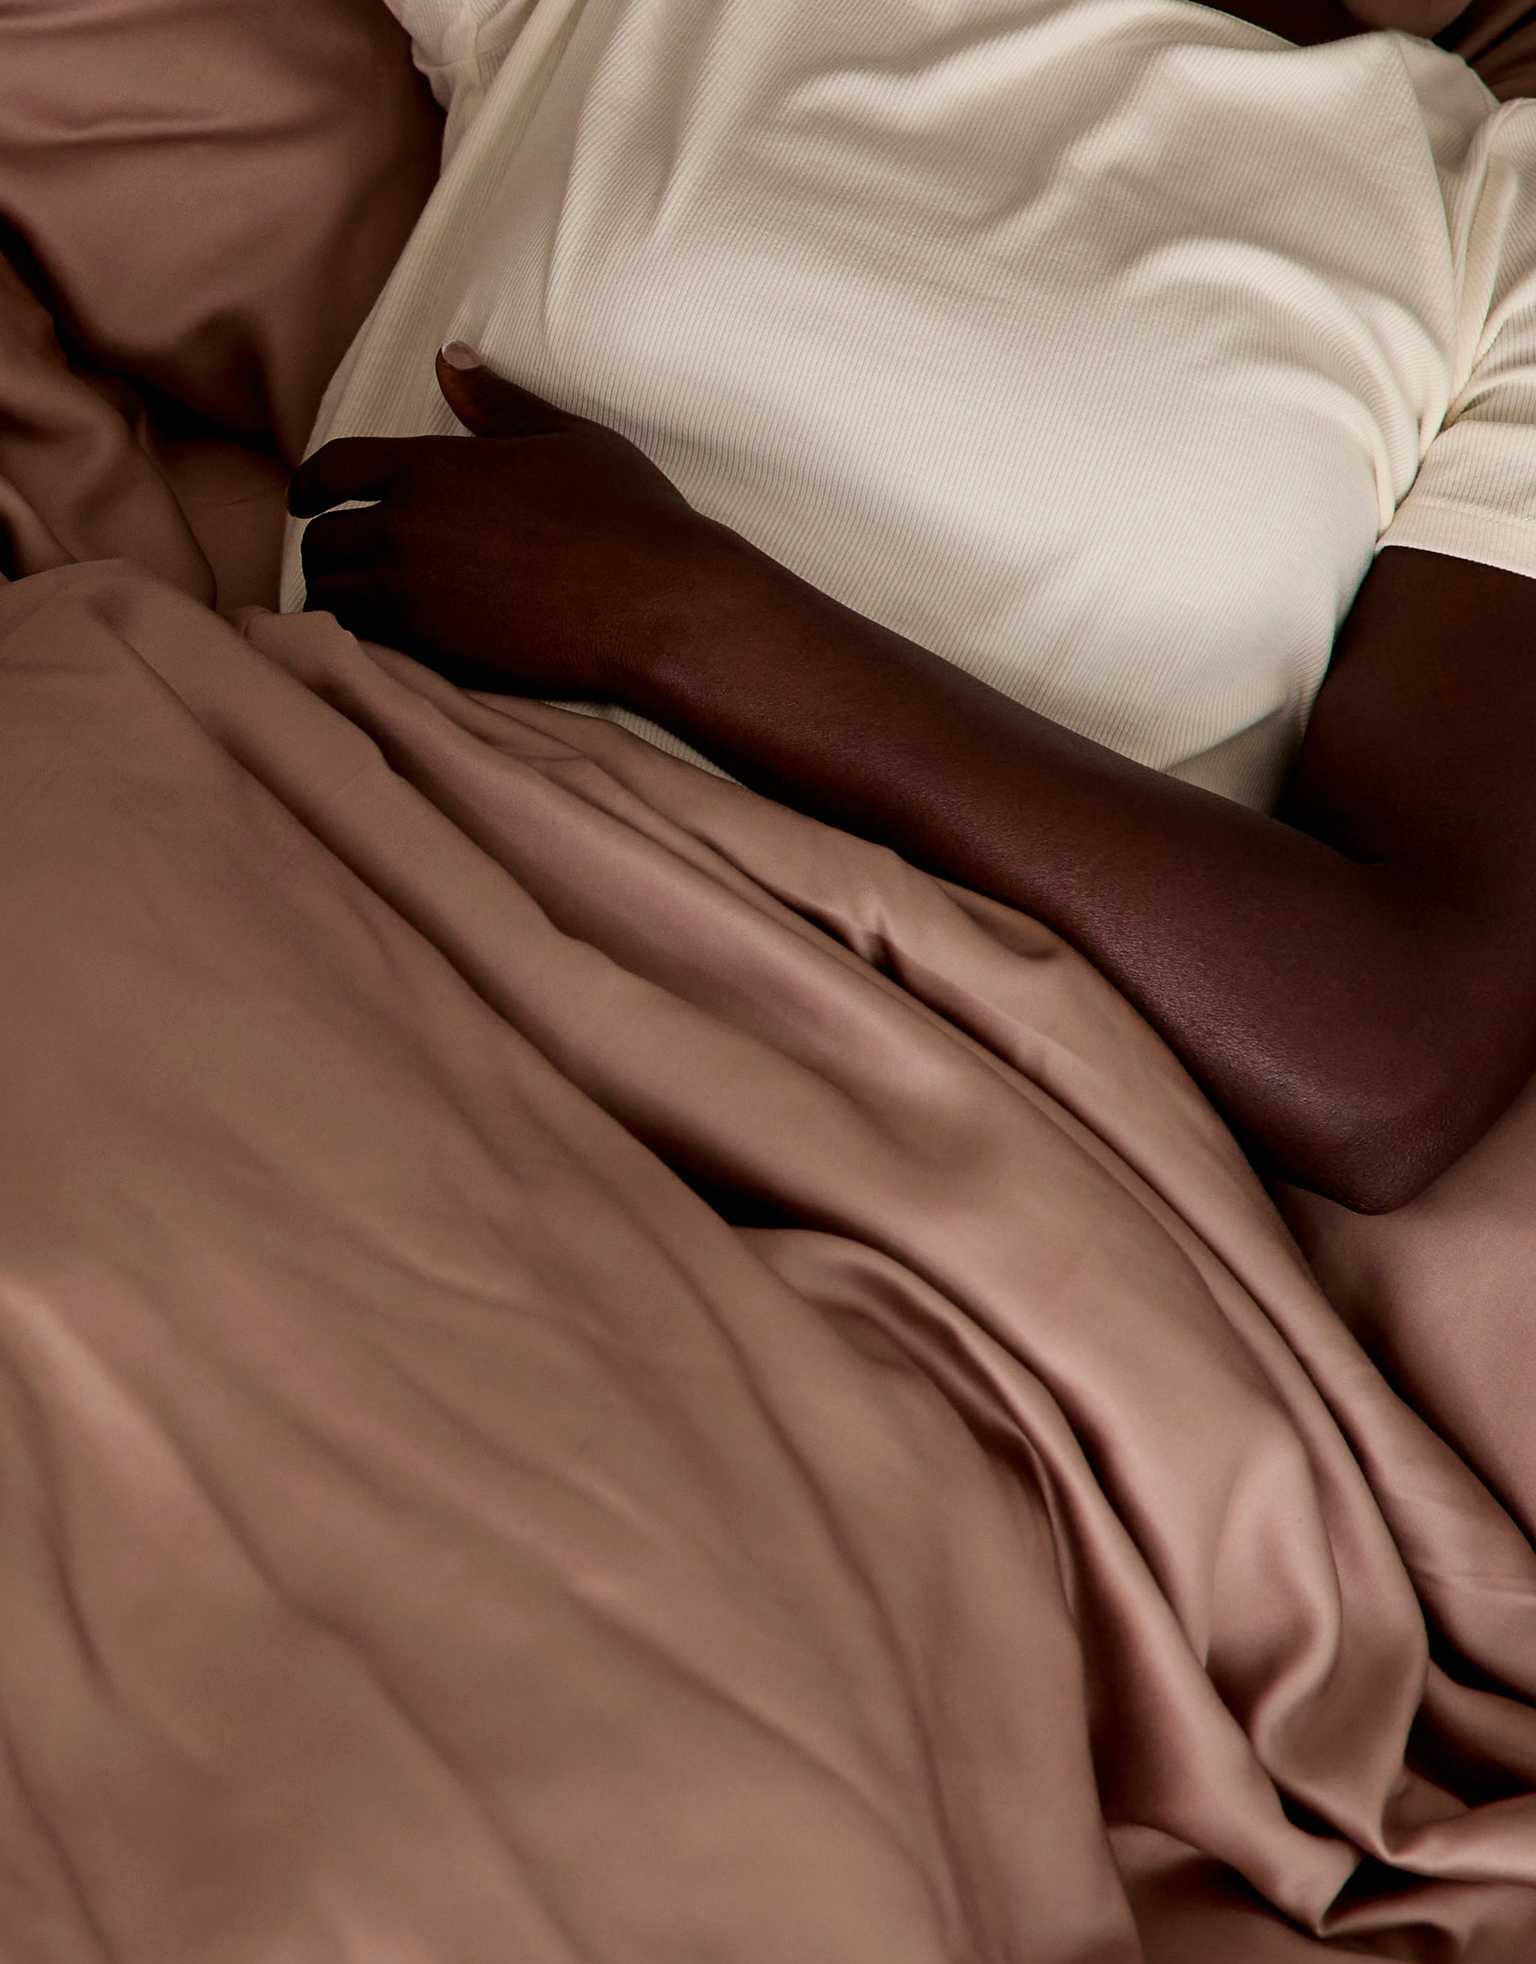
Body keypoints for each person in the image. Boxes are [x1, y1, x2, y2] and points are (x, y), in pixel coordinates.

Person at [284, 0, 1536, 1215]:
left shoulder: (1498, 227)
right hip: (322, 876)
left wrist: (685, 618)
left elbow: (1394, 1056)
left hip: (878, 1136)